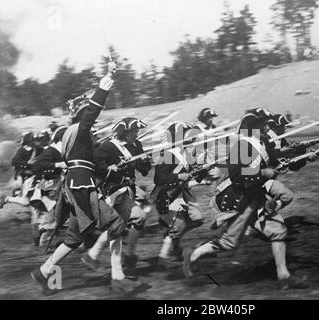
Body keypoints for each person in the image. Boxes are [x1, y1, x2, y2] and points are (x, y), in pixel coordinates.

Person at [31, 62, 145, 294]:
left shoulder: (76, 136)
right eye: (87, 115)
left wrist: (113, 167)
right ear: (81, 116)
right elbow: (91, 116)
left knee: (73, 238)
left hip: (78, 184)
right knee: (116, 222)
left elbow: (94, 163)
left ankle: (44, 272)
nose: (91, 120)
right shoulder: (78, 130)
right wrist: (103, 87)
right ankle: (117, 277)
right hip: (82, 185)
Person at [182, 110, 318, 287]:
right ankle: (192, 255)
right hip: (238, 199)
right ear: (251, 128)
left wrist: (305, 157)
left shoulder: (263, 143)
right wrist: (262, 172)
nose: (266, 127)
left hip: (255, 197)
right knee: (228, 243)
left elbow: (280, 162)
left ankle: (284, 276)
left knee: (277, 230)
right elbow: (237, 174)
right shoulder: (242, 146)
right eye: (262, 125)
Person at [89, 116, 151, 277]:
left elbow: (144, 170)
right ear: (124, 132)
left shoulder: (137, 145)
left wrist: (144, 162)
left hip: (129, 188)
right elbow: (95, 163)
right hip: (113, 189)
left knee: (123, 225)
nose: (137, 134)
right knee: (137, 218)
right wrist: (110, 168)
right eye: (134, 131)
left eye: (138, 131)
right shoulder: (109, 147)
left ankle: (94, 255)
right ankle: (124, 262)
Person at [150, 121, 207, 262]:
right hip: (167, 196)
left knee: (197, 219)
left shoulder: (187, 154)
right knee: (177, 225)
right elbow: (159, 179)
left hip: (183, 195)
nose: (192, 138)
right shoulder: (168, 155)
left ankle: (173, 239)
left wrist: (204, 169)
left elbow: (197, 177)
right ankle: (164, 255)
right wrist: (179, 176)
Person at [29, 126, 68, 247]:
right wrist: (57, 164)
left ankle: (41, 235)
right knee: (49, 217)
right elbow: (37, 166)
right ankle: (43, 241)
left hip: (55, 187)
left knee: (51, 216)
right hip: (47, 187)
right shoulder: (52, 150)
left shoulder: (61, 150)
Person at [0, 132, 39, 209]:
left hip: (31, 175)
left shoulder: (36, 149)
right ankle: (8, 198)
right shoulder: (22, 150)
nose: (35, 142)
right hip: (23, 174)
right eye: (33, 140)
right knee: (26, 201)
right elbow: (14, 162)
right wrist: (29, 164)